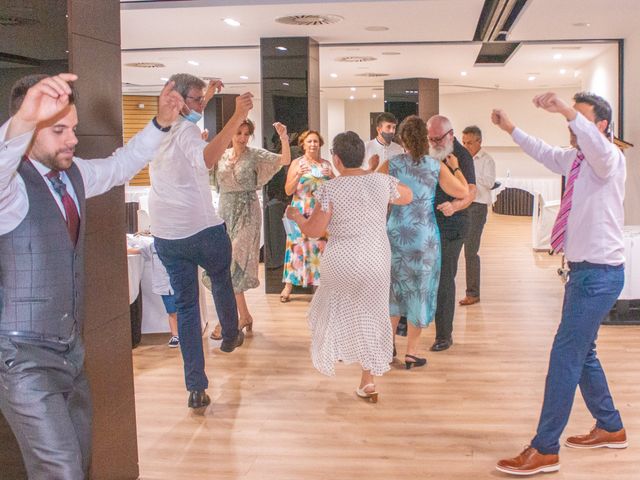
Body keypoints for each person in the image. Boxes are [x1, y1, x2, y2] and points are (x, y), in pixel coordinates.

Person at [0, 73, 182, 479]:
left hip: (71, 355)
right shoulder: (10, 189)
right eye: (59, 129)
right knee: (62, 471)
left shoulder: (73, 174)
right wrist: (23, 120)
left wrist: (160, 123)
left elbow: (121, 165)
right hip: (22, 359)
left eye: (74, 129)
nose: (72, 139)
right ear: (27, 131)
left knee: (78, 464)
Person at [493, 92, 627, 476]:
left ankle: (545, 448)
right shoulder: (580, 159)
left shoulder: (608, 157)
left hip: (599, 275)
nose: (571, 127)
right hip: (584, 271)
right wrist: (510, 128)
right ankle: (610, 426)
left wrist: (567, 110)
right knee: (582, 354)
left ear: (600, 126)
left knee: (565, 355)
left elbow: (592, 142)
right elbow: (544, 152)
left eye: (580, 121)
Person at [148, 73, 253, 411]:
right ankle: (231, 333)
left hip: (166, 234)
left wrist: (207, 94)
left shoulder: (155, 129)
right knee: (221, 274)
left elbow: (190, 115)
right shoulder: (187, 132)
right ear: (177, 102)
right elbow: (208, 157)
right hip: (200, 230)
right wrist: (237, 116)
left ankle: (195, 387)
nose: (199, 107)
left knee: (187, 308)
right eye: (194, 100)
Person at [286, 131, 412, 401]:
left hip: (342, 257)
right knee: (373, 313)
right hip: (376, 256)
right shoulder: (381, 181)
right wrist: (374, 177)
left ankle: (340, 350)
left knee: (333, 308)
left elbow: (314, 230)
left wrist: (297, 216)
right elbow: (408, 196)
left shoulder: (330, 188)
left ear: (336, 160)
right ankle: (368, 380)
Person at [379, 116, 468, 368]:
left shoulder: (391, 165)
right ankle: (411, 353)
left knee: (394, 292)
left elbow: (372, 189)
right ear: (425, 139)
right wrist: (457, 167)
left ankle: (388, 348)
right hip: (424, 236)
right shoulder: (435, 166)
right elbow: (462, 192)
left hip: (396, 233)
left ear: (403, 139)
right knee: (421, 291)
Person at [207, 119, 291, 339]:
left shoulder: (254, 155)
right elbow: (204, 170)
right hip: (225, 212)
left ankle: (228, 321)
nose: (243, 138)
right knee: (226, 265)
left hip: (247, 212)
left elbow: (284, 159)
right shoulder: (222, 156)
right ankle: (243, 316)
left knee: (234, 261)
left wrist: (283, 138)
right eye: (239, 133)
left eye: (246, 134)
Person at [426, 115, 476, 352]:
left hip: (453, 225)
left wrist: (454, 206)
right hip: (426, 224)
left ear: (450, 135)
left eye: (438, 138)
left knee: (445, 278)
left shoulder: (461, 156)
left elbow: (471, 192)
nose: (434, 142)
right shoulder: (426, 153)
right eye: (431, 138)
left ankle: (444, 335)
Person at [280, 130, 333, 302]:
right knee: (296, 247)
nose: (313, 144)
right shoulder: (297, 163)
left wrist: (331, 176)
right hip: (300, 208)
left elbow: (337, 188)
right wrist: (297, 175)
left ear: (320, 144)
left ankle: (318, 285)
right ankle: (288, 285)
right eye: (309, 141)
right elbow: (288, 190)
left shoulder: (326, 164)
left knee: (319, 247)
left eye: (316, 141)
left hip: (319, 210)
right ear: (303, 144)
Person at [459, 125, 496, 306]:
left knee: (470, 251)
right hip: (461, 205)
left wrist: (470, 176)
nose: (466, 146)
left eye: (470, 143)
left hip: (478, 207)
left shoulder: (487, 160)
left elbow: (489, 183)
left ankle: (473, 293)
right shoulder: (460, 158)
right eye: (464, 142)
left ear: (479, 142)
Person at [127, 235, 179, 347]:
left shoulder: (177, 243)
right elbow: (139, 251)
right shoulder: (152, 246)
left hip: (178, 282)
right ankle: (175, 335)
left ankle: (185, 334)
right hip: (165, 285)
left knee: (183, 309)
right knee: (171, 311)